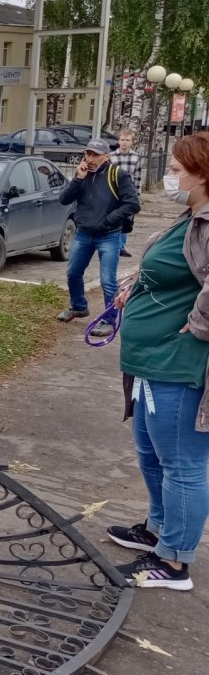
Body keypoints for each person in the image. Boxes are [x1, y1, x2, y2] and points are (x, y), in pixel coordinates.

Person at [109, 133, 209, 590]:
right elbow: (176, 273)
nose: (170, 175)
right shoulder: (190, 217)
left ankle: (173, 563)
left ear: (203, 174)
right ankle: (156, 531)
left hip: (178, 364)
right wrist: (139, 286)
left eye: (176, 169)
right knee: (151, 455)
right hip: (151, 361)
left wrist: (200, 323)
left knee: (182, 465)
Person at [57, 138, 140, 339]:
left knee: (107, 280)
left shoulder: (117, 175)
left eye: (95, 155)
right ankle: (78, 306)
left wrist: (108, 220)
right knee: (73, 273)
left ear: (106, 156)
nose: (91, 158)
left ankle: (109, 319)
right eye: (88, 154)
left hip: (108, 235)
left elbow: (133, 204)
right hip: (84, 233)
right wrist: (77, 179)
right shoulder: (82, 175)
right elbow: (63, 199)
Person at [110, 127, 142, 257]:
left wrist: (137, 194)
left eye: (127, 140)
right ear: (118, 141)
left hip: (128, 194)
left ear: (132, 142)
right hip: (113, 193)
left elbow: (138, 177)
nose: (124, 142)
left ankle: (121, 247)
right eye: (122, 139)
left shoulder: (136, 158)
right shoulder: (111, 157)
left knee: (126, 221)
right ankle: (112, 245)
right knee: (113, 219)